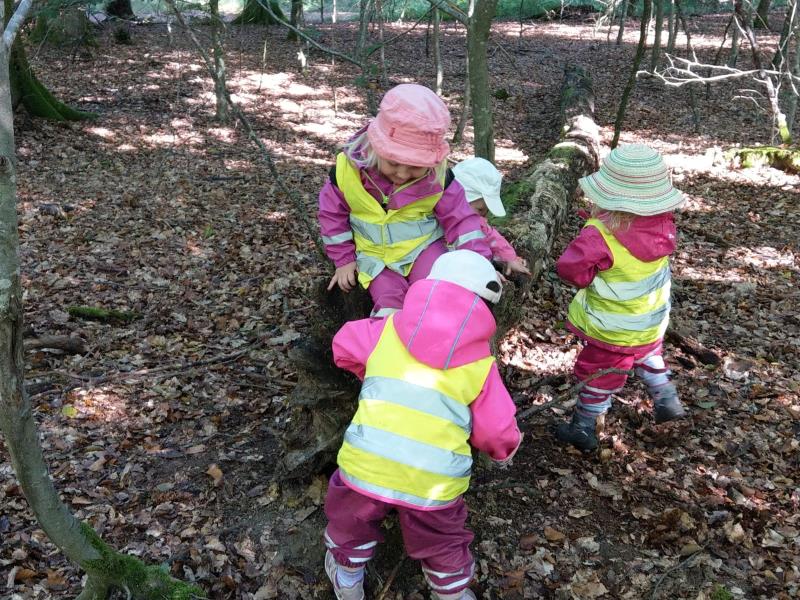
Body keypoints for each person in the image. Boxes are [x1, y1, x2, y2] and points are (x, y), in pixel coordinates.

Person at [323, 250, 522, 600]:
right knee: (442, 539)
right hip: (435, 480)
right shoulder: (480, 363)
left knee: (351, 520)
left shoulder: (384, 331)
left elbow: (342, 346)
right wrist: (503, 454)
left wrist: (369, 372)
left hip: (366, 463)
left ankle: (348, 577)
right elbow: (496, 430)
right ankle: (451, 593)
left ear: (427, 287)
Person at [554, 144, 688, 452]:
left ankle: (583, 426)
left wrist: (588, 277)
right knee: (648, 353)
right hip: (649, 320)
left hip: (611, 326)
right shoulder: (664, 225)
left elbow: (569, 268)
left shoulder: (600, 235)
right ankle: (666, 398)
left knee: (598, 375)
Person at [319, 84, 492, 318]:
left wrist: (478, 264)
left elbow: (463, 221)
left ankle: (440, 343)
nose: (401, 174)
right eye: (393, 162)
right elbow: (332, 217)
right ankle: (389, 347)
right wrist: (343, 260)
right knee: (389, 304)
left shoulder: (439, 180)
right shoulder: (345, 173)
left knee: (437, 292)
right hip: (375, 257)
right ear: (375, 146)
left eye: (414, 167)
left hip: (424, 249)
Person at [452, 157, 530, 277]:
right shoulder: (435, 221)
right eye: (480, 209)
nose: (483, 215)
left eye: (486, 210)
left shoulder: (476, 221)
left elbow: (492, 236)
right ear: (460, 198)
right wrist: (484, 273)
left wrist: (510, 257)